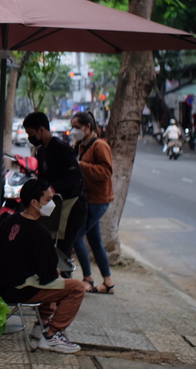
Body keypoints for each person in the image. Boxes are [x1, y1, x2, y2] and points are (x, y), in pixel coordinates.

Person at [0, 178, 86, 354]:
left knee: (54, 280)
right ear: (35, 203)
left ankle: (41, 325)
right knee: (76, 288)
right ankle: (52, 335)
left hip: (2, 285)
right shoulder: (39, 232)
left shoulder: (9, 221)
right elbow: (49, 275)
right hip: (19, 289)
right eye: (48, 200)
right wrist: (54, 273)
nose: (52, 204)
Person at [22, 111, 86, 266]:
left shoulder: (61, 148)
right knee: (45, 239)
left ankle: (65, 284)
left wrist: (53, 187)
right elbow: (43, 178)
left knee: (64, 248)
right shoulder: (41, 151)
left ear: (41, 130)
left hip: (72, 204)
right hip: (53, 204)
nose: (30, 138)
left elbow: (76, 176)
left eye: (31, 133)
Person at [70, 111, 115, 294]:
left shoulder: (100, 146)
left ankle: (88, 278)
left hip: (98, 200)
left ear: (88, 127)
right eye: (72, 127)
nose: (73, 131)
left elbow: (106, 172)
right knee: (95, 241)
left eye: (77, 127)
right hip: (86, 199)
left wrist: (82, 166)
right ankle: (108, 282)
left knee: (76, 235)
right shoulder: (80, 145)